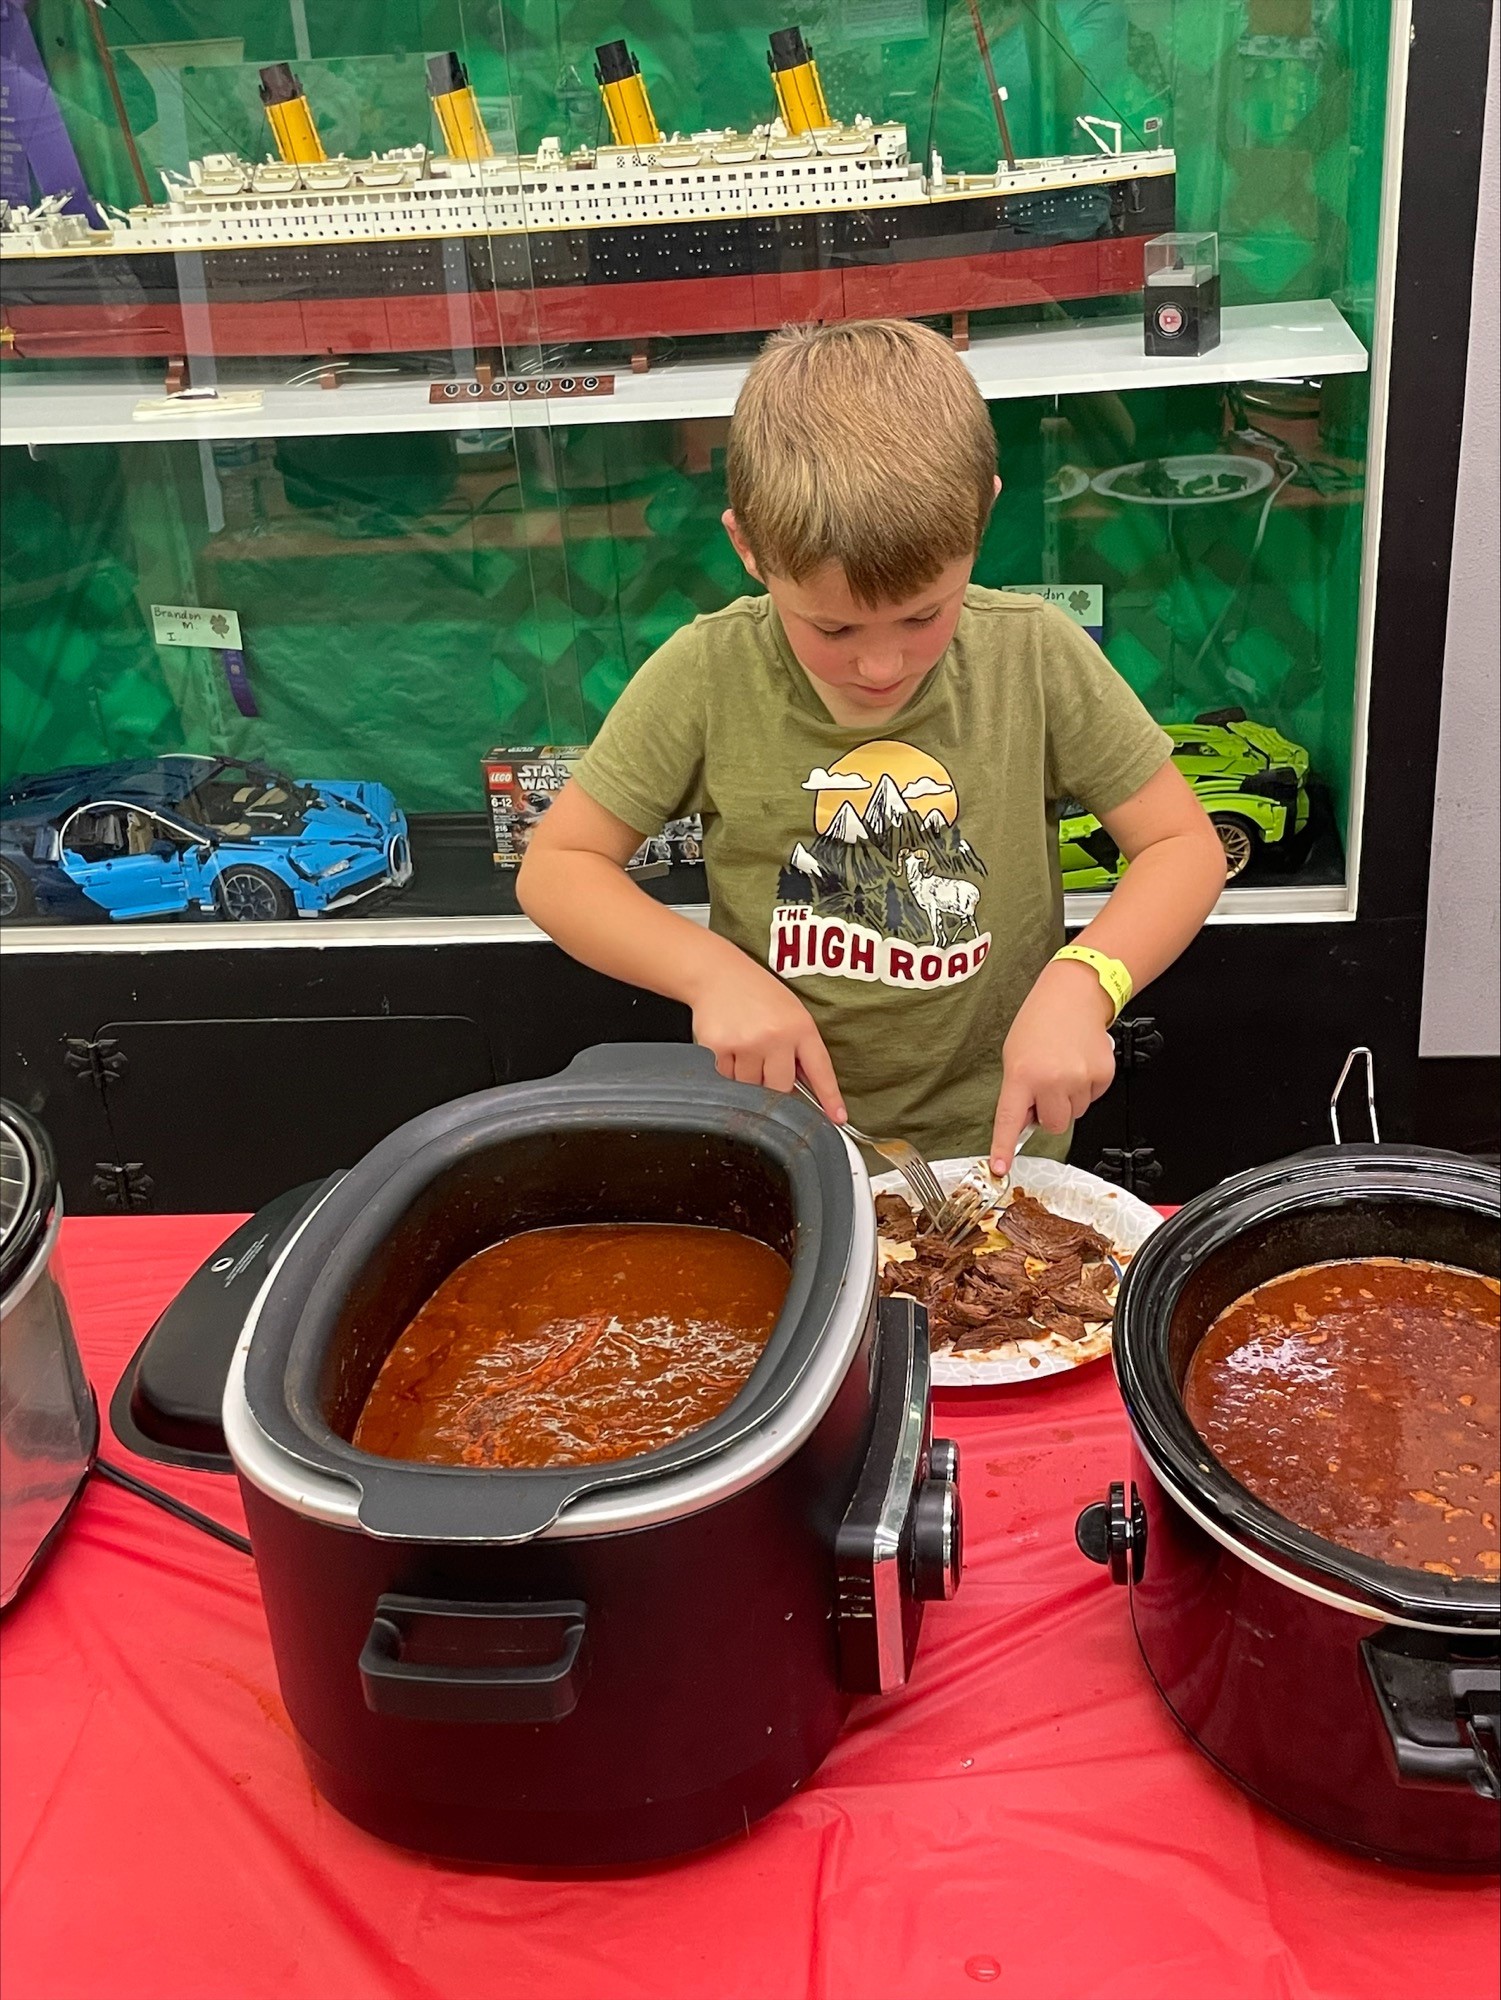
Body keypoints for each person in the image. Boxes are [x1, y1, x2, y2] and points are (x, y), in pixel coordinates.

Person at [518, 320, 1226, 1173]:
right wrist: (713, 977)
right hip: (788, 1148)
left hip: (1001, 1150)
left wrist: (1088, 982)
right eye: (833, 626)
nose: (882, 665)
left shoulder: (1033, 653)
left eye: (925, 614)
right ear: (748, 547)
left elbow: (1183, 845)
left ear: (984, 513)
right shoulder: (708, 672)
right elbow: (557, 867)